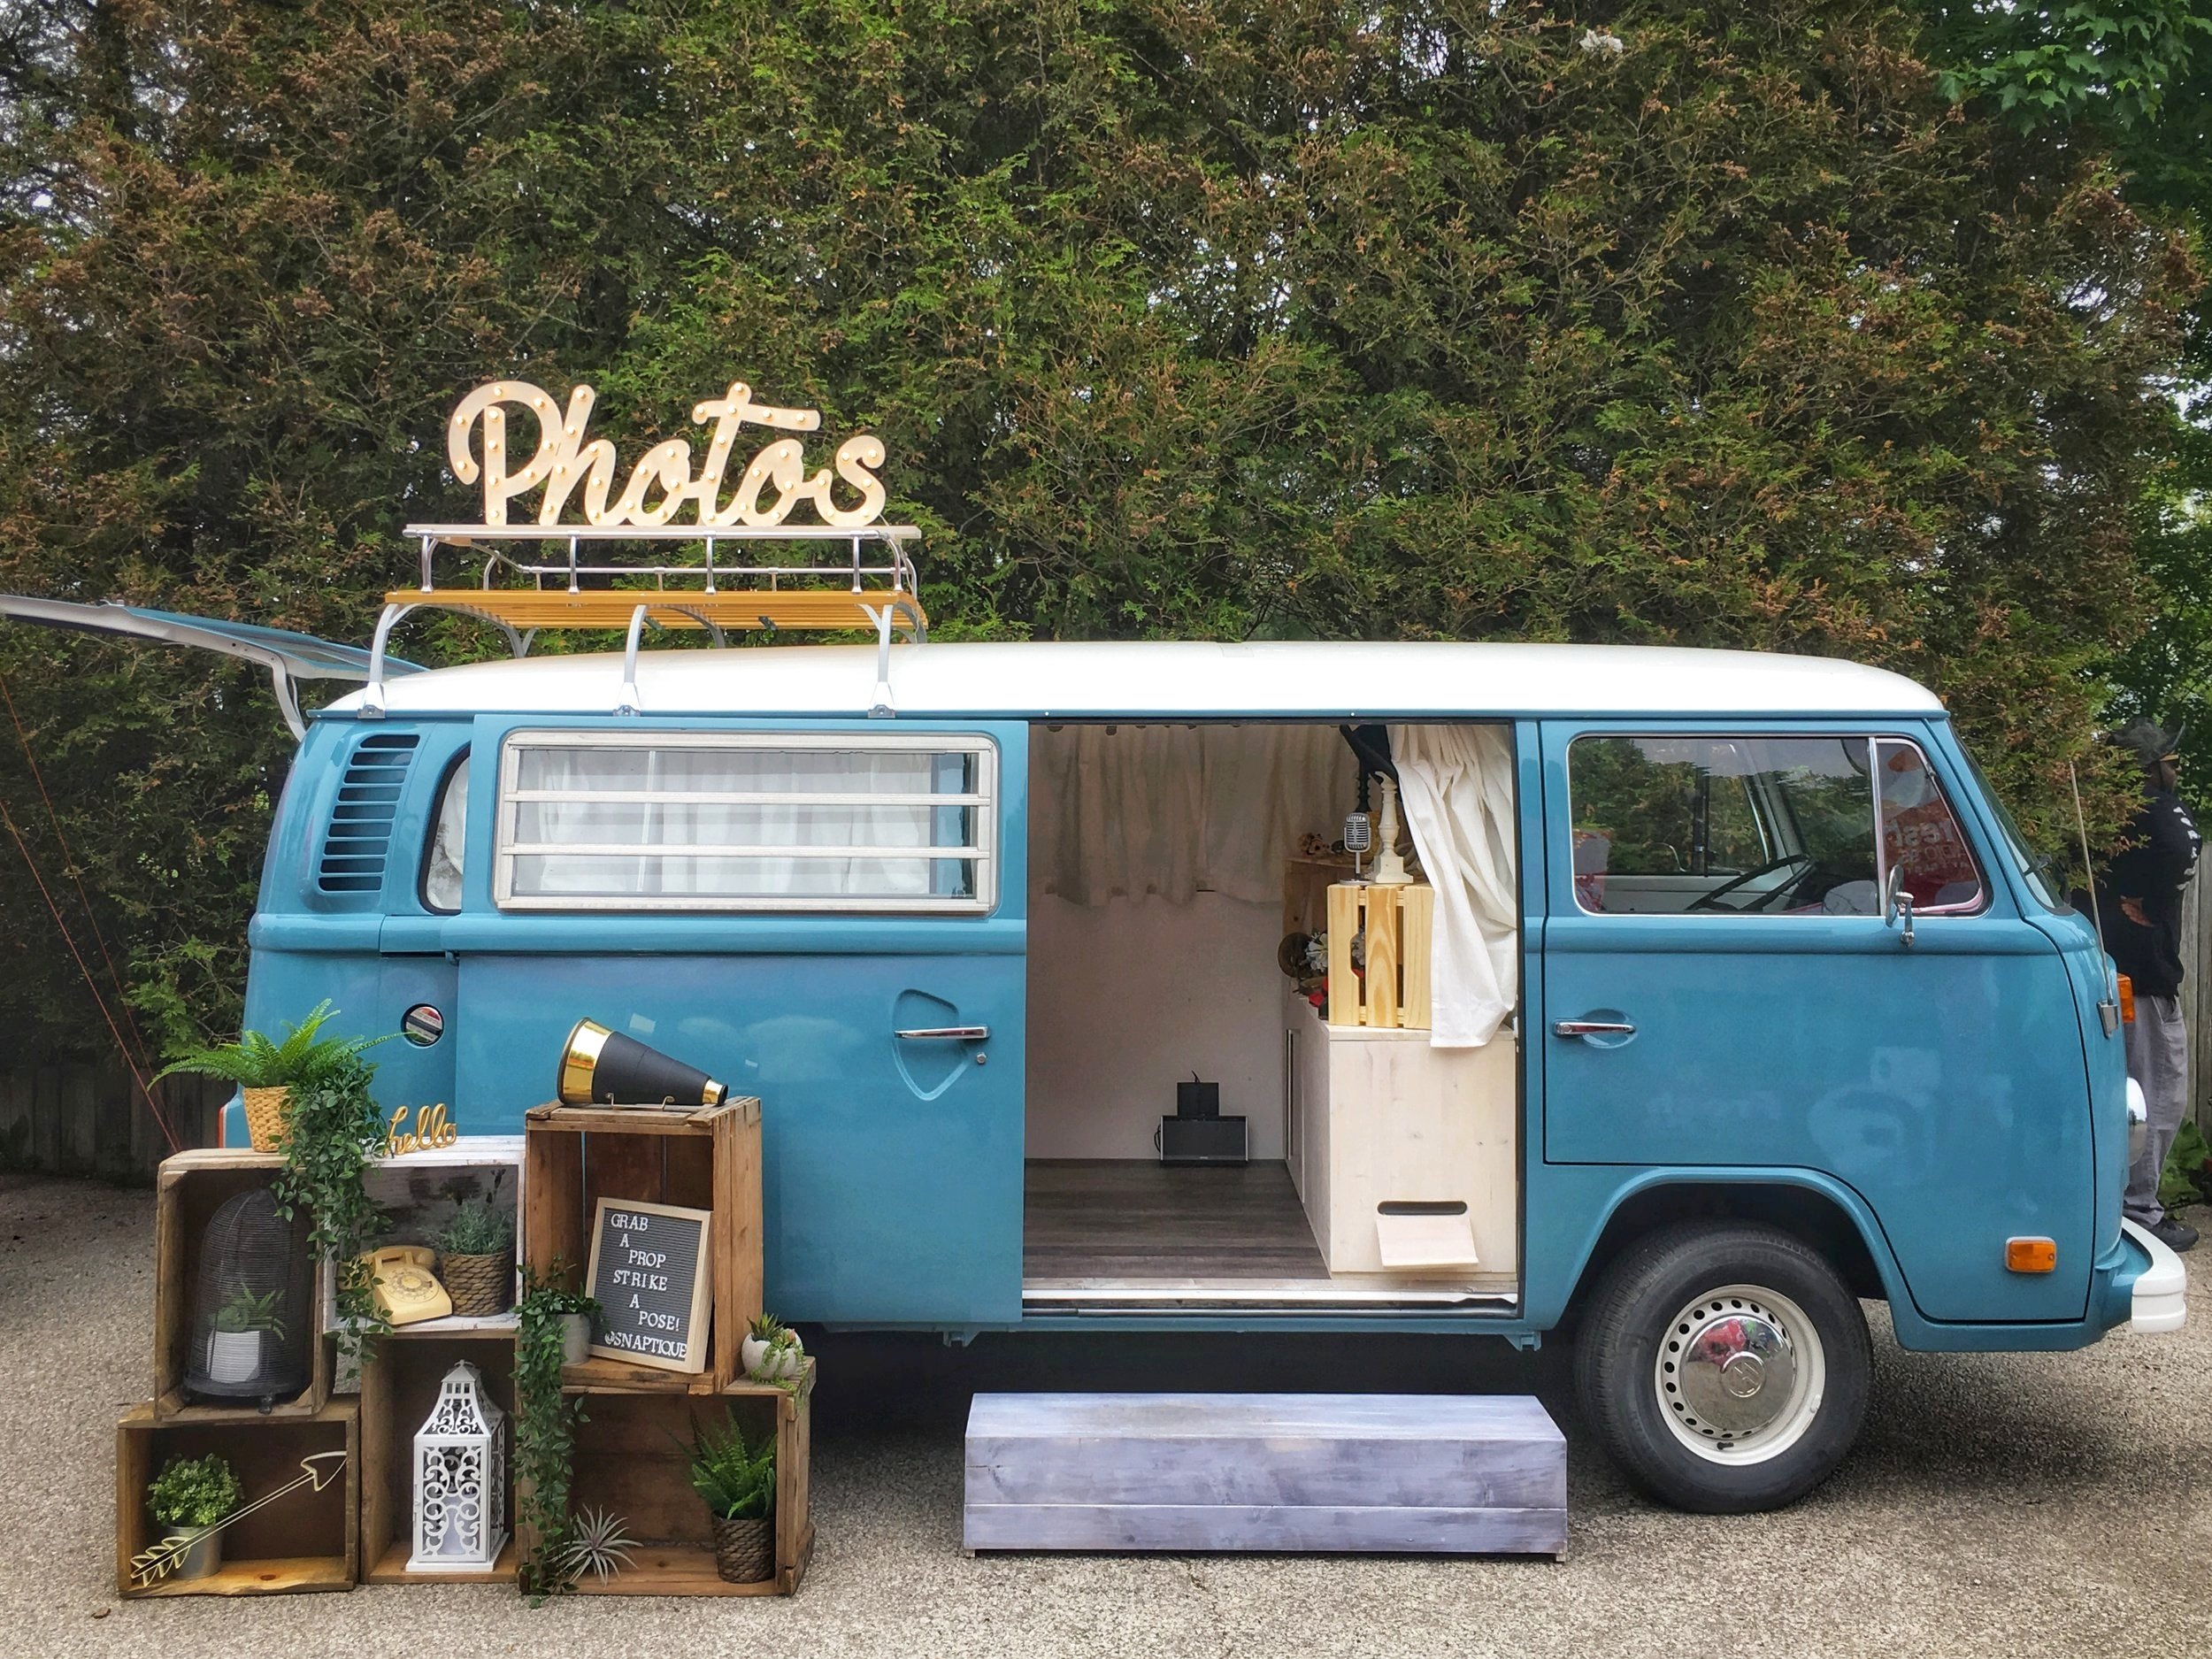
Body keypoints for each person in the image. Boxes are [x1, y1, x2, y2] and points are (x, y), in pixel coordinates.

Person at [2100, 720, 2203, 1253]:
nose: (2177, 767)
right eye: (2171, 759)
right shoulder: (2156, 809)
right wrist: (2143, 895)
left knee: (2119, 1091)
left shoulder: (2101, 809)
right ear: (2149, 768)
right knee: (2159, 1089)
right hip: (2144, 976)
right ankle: (2139, 1210)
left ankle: (2115, 1201)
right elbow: (2182, 842)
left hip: (2106, 970)